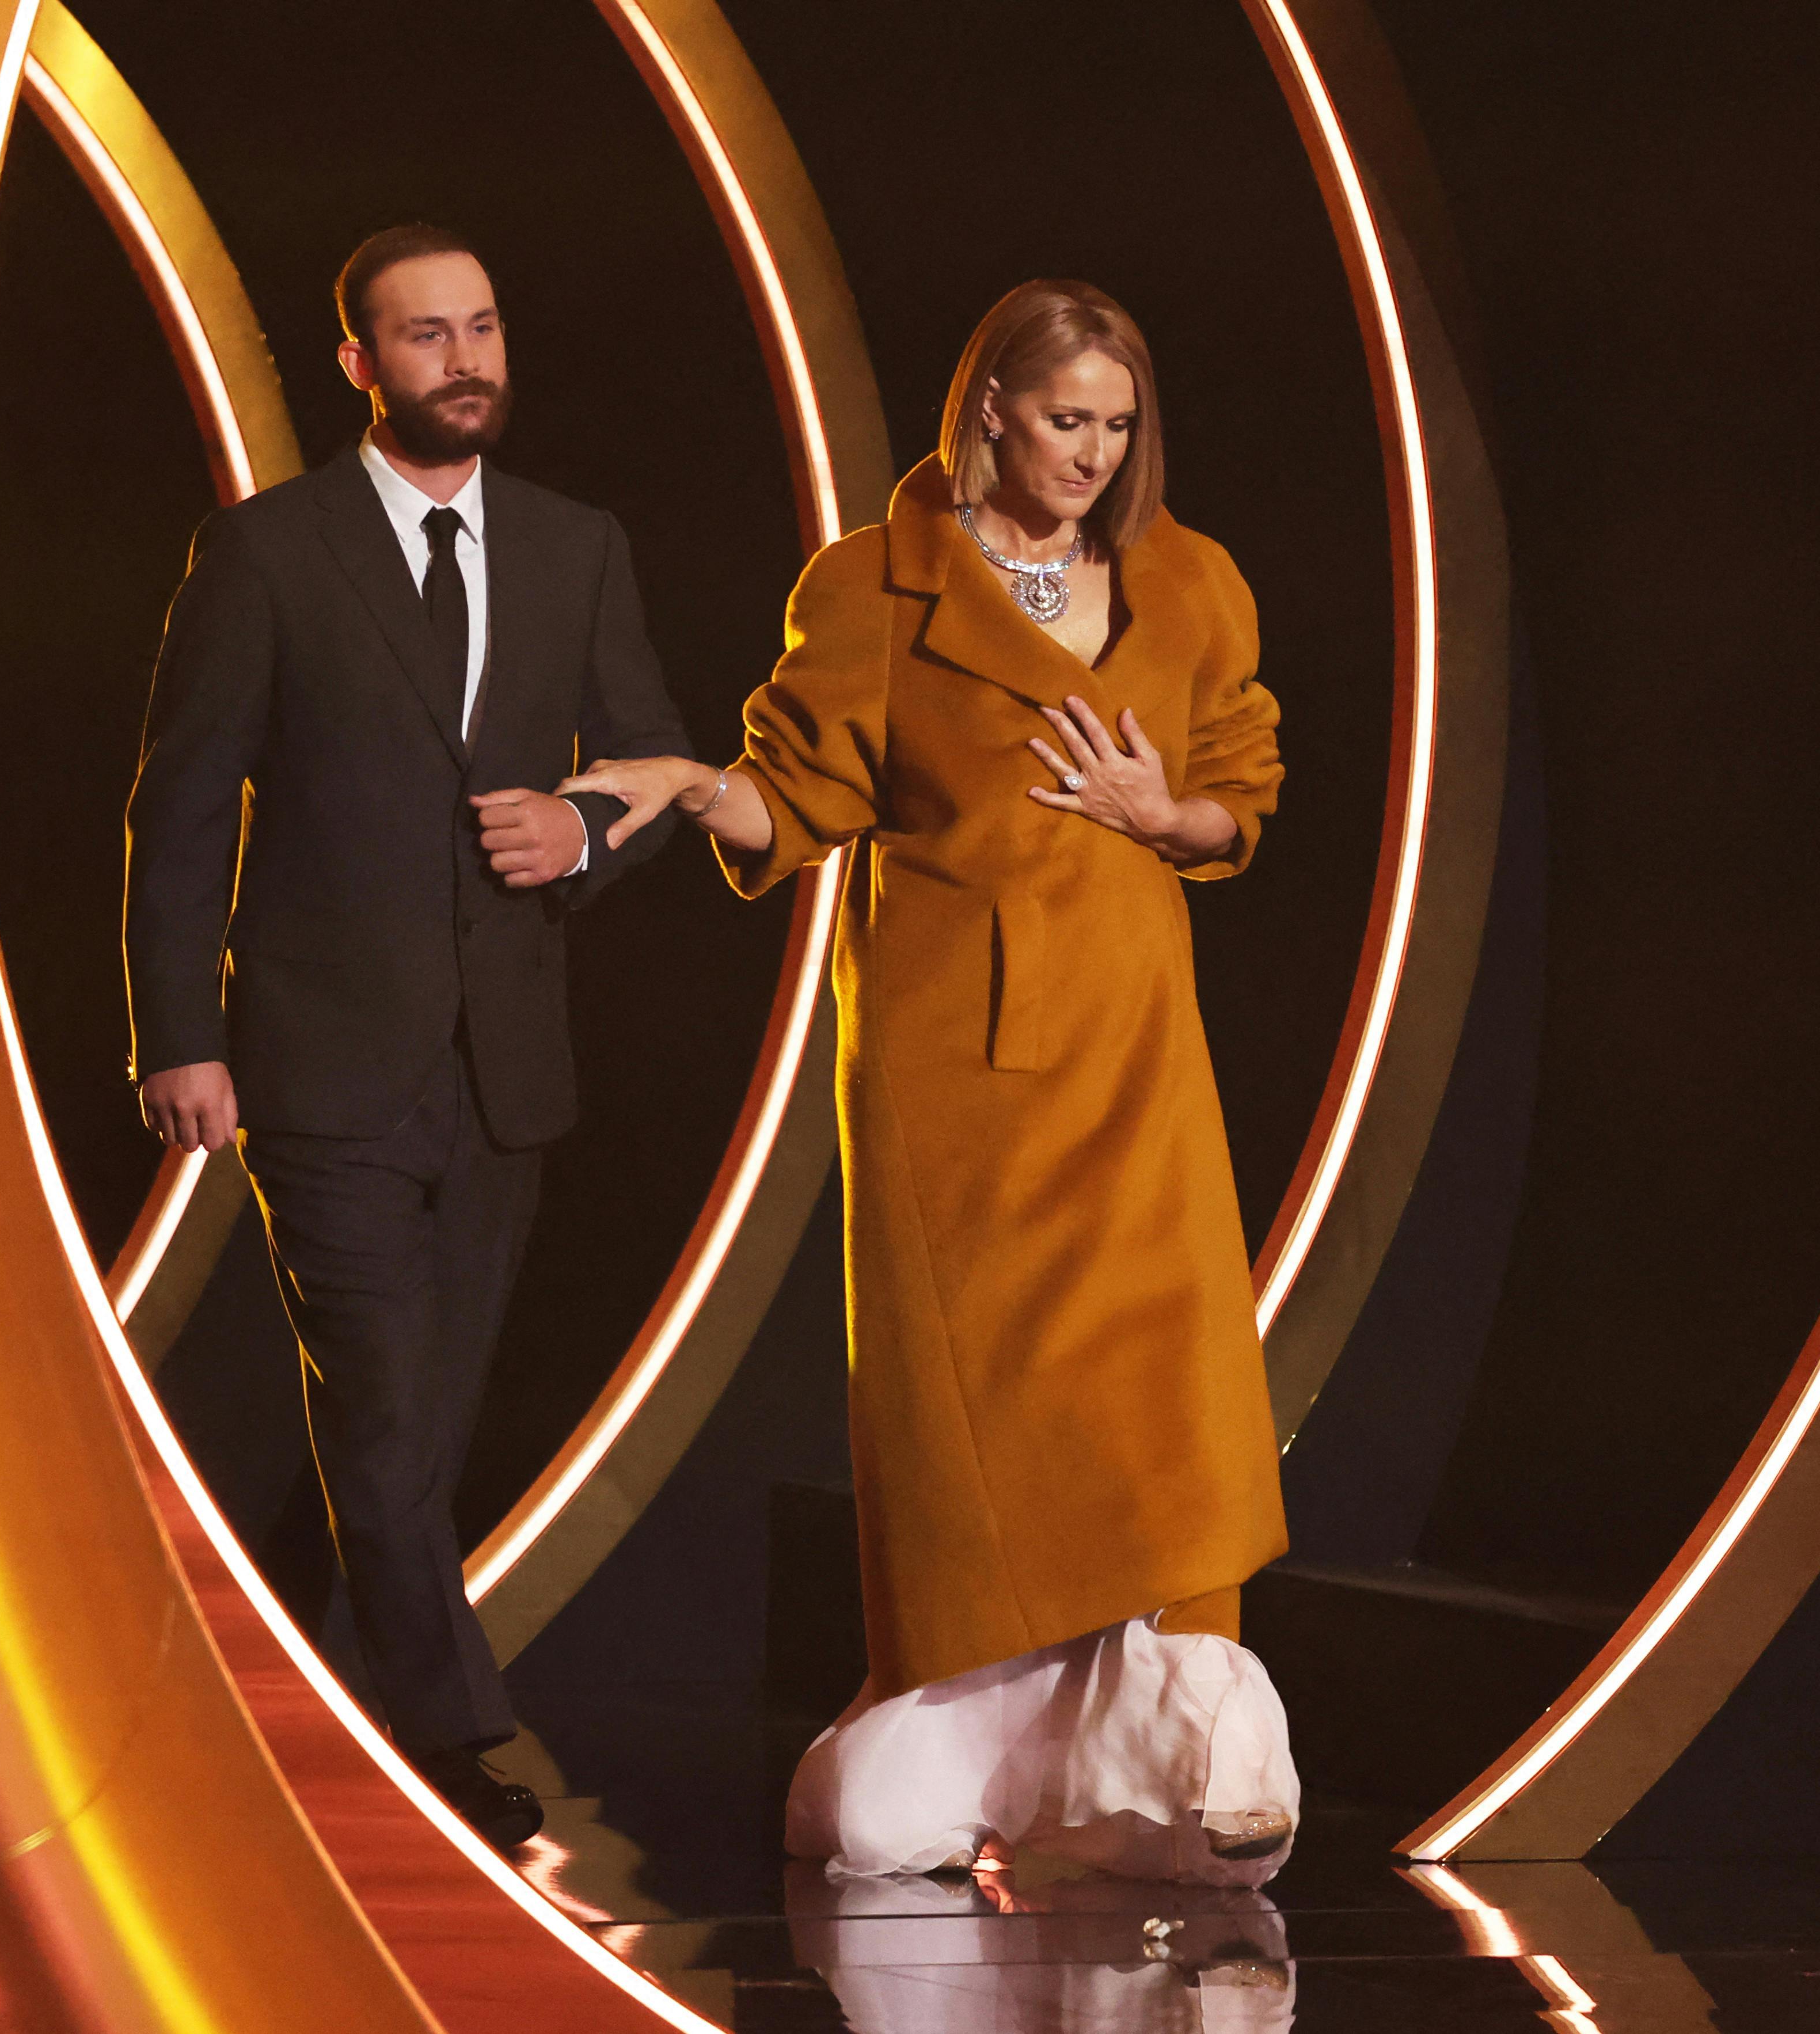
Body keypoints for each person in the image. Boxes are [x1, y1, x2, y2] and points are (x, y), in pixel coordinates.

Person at [562, 280, 1298, 1884]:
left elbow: (1237, 785)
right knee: (981, 1406)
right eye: (1065, 419)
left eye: (1118, 425)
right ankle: (971, 1734)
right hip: (951, 1058)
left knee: (1164, 1386)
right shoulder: (873, 583)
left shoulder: (1190, 578)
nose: (1093, 454)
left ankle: (1180, 1739)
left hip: (1133, 1043)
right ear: (989, 411)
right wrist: (694, 787)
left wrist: (1163, 814)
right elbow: (798, 795)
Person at [123, 223, 690, 1849]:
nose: (466, 359)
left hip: (504, 1068)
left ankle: (278, 1698)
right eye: (428, 335)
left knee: (416, 1431)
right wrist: (179, 1033)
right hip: (319, 1063)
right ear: (360, 364)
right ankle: (449, 1750)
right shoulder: (266, 551)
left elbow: (651, 756)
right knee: (379, 1412)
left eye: (484, 327)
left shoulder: (576, 544)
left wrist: (581, 833)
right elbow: (180, 808)